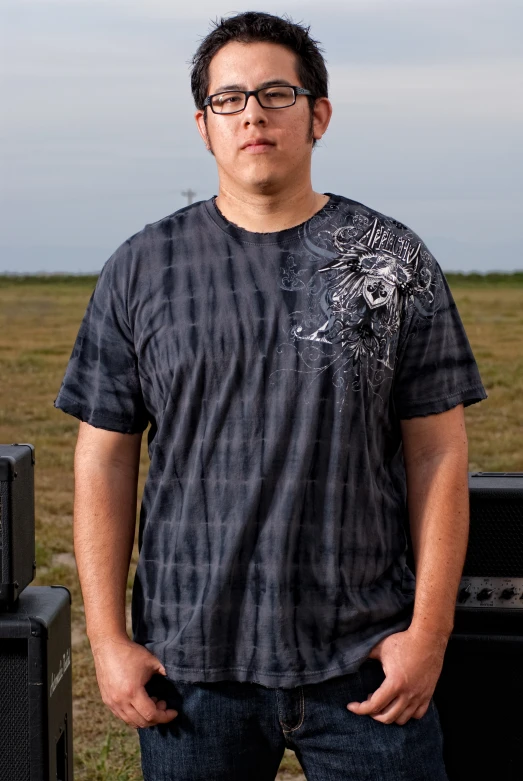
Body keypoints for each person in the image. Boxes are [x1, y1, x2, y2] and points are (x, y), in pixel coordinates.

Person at [54, 11, 487, 781]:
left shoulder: (389, 259)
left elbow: (437, 452)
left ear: (317, 114)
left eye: (276, 92)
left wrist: (429, 632)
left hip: (365, 660)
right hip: (191, 668)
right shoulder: (141, 268)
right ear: (204, 126)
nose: (252, 112)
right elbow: (104, 458)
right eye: (229, 99)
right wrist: (109, 640)